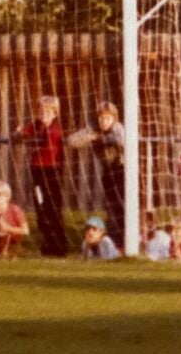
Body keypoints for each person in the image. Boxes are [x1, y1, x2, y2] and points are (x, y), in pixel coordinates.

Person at [12, 95, 68, 257]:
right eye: (42, 110)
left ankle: (58, 246)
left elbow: (46, 144)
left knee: (53, 209)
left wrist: (28, 138)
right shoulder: (34, 125)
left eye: (48, 111)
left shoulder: (55, 130)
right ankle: (47, 243)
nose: (44, 113)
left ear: (55, 113)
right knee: (40, 207)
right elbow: (19, 136)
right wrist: (18, 134)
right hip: (37, 172)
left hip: (52, 172)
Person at [67, 101, 126, 248]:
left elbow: (122, 139)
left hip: (123, 170)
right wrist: (90, 137)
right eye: (101, 118)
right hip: (108, 171)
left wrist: (102, 139)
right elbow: (71, 141)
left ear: (114, 118)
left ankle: (126, 239)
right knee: (111, 207)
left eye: (107, 118)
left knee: (121, 206)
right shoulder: (92, 128)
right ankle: (114, 240)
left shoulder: (118, 128)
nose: (104, 121)